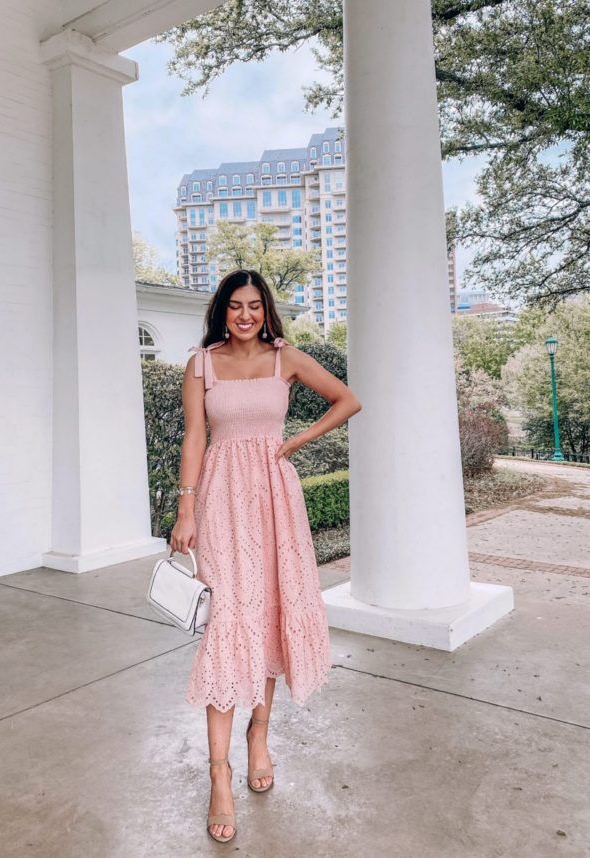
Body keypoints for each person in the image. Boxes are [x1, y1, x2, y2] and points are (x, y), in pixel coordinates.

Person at [170, 269, 362, 843]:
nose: (245, 315)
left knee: (270, 616)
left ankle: (259, 736)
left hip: (275, 499)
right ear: (222, 312)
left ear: (266, 310)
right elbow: (194, 438)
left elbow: (347, 399)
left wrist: (294, 444)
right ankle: (218, 775)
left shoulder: (287, 358)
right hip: (221, 501)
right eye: (235, 306)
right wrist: (185, 511)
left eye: (254, 305)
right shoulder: (201, 363)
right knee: (229, 622)